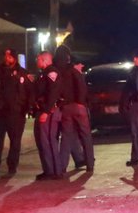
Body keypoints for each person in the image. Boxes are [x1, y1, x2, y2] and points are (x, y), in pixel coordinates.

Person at [0, 48, 31, 176]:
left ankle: (12, 166)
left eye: (9, 56)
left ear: (14, 58)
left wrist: (25, 109)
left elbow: (29, 92)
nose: (7, 59)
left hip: (16, 113)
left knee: (15, 141)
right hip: (0, 112)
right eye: (5, 56)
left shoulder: (23, 73)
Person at [55, 45, 94, 173]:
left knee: (66, 137)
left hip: (65, 107)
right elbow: (82, 87)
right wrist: (81, 102)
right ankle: (89, 163)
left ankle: (62, 167)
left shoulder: (57, 72)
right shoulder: (73, 71)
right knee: (86, 136)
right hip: (78, 107)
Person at [32, 50, 63, 180]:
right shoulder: (43, 74)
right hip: (42, 110)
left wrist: (46, 111)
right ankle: (48, 169)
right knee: (42, 141)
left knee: (49, 141)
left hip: (49, 112)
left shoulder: (51, 73)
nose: (36, 62)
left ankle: (55, 171)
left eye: (38, 59)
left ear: (44, 60)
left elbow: (53, 93)